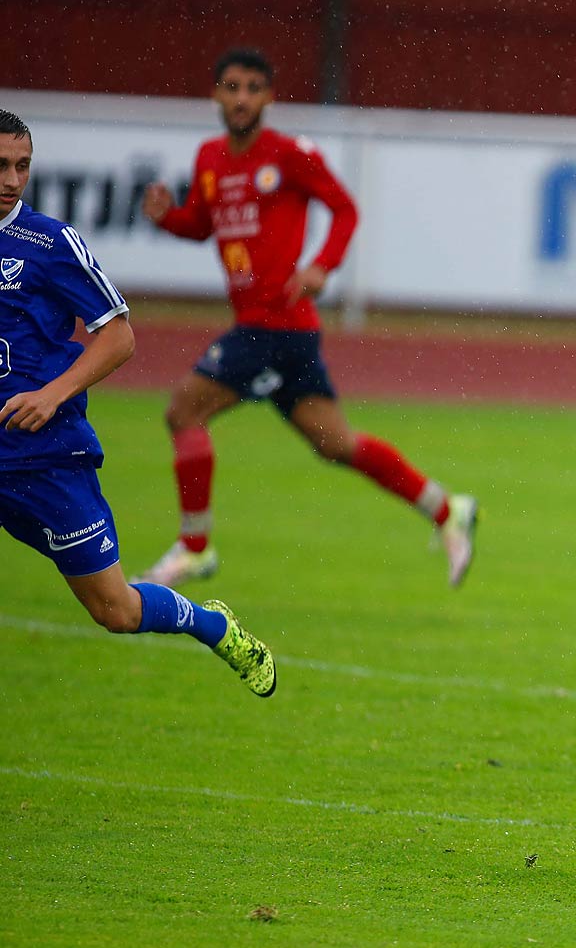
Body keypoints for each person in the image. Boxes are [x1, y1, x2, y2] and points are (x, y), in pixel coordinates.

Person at [135, 47, 478, 589]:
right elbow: (203, 225)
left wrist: (323, 266)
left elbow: (345, 208)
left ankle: (195, 547)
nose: (242, 98)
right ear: (216, 94)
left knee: (184, 412)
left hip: (273, 326)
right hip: (280, 332)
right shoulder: (208, 159)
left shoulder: (290, 154)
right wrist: (168, 219)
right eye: (232, 87)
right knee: (336, 444)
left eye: (253, 87)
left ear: (270, 96)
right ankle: (447, 510)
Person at [0, 109, 275, 697]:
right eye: (1, 166)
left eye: (22, 166)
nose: (12, 180)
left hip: (43, 458)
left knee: (115, 611)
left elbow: (119, 334)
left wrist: (52, 394)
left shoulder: (47, 243)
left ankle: (211, 624)